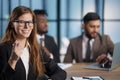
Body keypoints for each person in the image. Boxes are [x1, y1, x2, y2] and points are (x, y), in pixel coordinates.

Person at [0, 6, 66, 80]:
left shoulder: (36, 48)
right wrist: (13, 60)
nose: (27, 26)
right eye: (22, 22)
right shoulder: (3, 49)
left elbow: (60, 72)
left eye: (30, 22)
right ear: (12, 23)